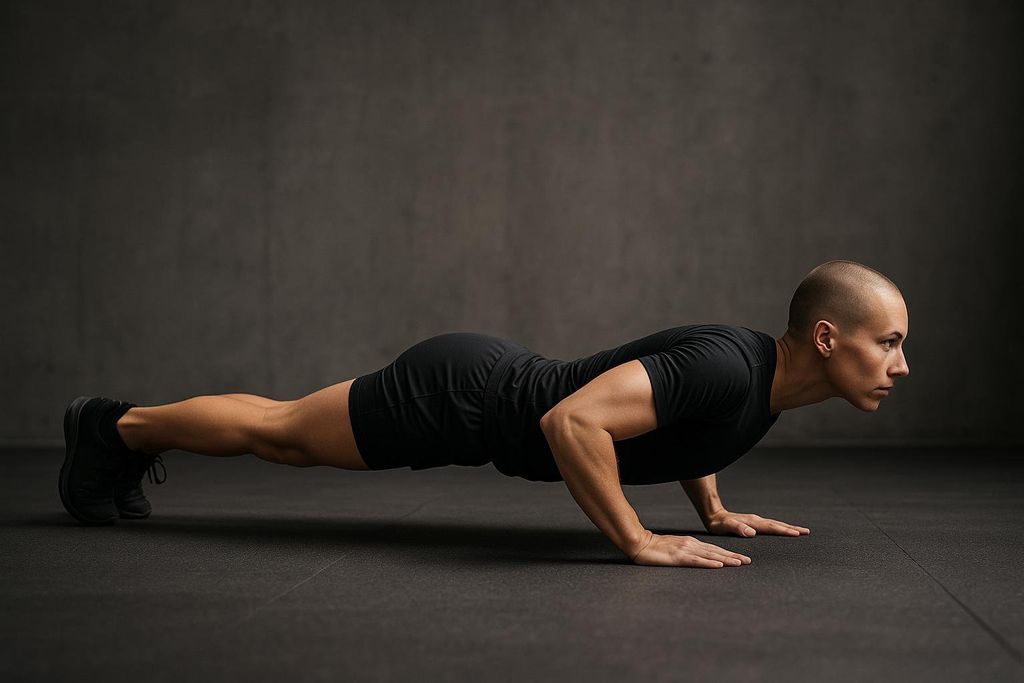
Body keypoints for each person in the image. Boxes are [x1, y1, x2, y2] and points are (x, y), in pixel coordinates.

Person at [59, 259, 909, 569]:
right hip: (461, 397)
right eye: (890, 342)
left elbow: (680, 422)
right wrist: (638, 540)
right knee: (281, 436)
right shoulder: (732, 361)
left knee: (282, 431)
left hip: (478, 392)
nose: (901, 365)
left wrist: (713, 509)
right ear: (829, 337)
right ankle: (111, 427)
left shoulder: (761, 380)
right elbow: (570, 424)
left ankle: (118, 434)